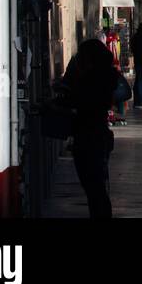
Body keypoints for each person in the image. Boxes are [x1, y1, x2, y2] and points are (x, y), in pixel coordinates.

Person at [58, 38, 122, 218]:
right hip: (100, 133)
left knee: (93, 186)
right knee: (98, 186)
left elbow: (80, 100)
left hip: (88, 136)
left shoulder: (90, 78)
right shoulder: (107, 75)